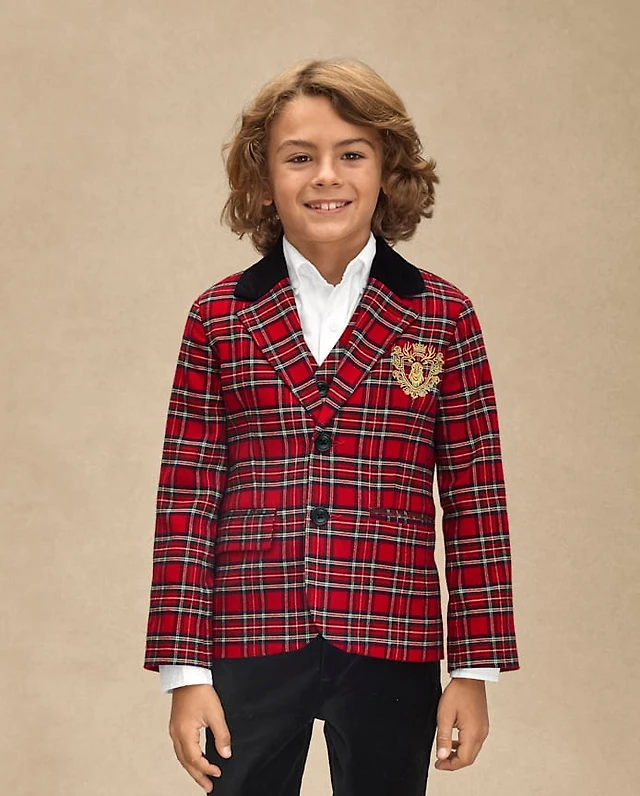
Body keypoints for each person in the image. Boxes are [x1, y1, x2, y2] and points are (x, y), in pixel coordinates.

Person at [144, 58, 519, 796]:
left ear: (387, 172)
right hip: (250, 630)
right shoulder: (219, 317)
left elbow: (475, 497)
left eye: (351, 155)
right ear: (263, 179)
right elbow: (187, 495)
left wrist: (473, 667)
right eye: (299, 157)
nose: (326, 176)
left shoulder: (442, 315)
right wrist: (184, 671)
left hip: (393, 633)